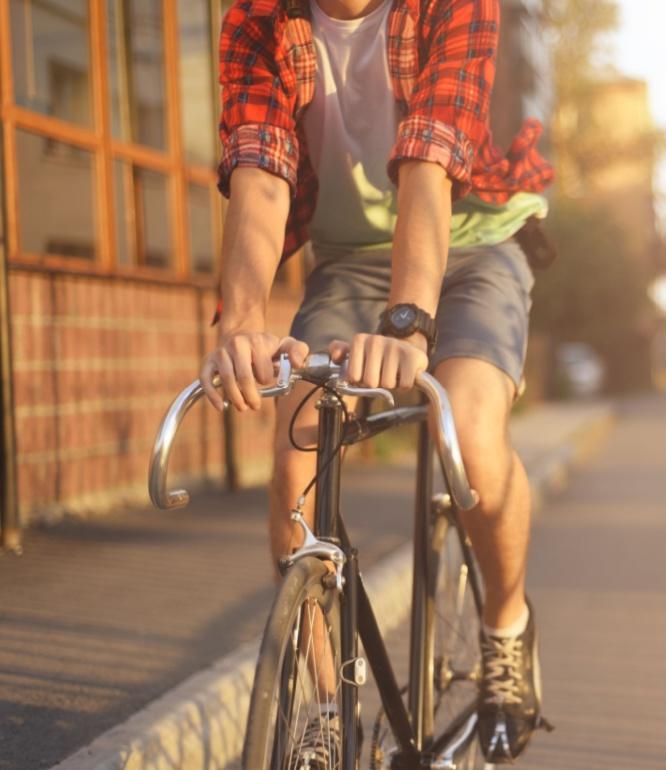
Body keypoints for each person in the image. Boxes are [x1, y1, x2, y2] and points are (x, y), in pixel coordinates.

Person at [198, 0, 554, 763]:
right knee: (293, 465)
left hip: (477, 239)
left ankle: (506, 631)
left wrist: (407, 324)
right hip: (351, 258)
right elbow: (260, 171)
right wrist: (242, 321)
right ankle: (326, 716)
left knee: (473, 433)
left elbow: (429, 161)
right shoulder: (257, 18)